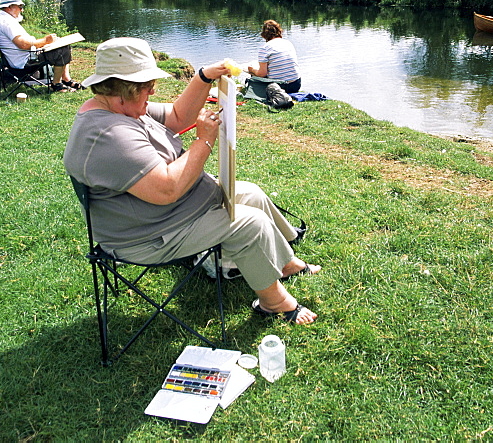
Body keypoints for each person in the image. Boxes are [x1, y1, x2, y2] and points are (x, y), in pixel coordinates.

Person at [63, 37, 320, 324]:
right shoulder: (109, 134)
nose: (153, 90)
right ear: (124, 89)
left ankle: (283, 262)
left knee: (250, 193)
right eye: (146, 85)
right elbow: (168, 189)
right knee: (250, 223)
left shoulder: (120, 107)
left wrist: (204, 77)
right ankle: (274, 303)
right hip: (149, 234)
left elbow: (176, 116)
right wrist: (203, 141)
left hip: (167, 215)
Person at [0, 0, 82, 92]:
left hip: (25, 56)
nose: (22, 9)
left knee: (64, 45)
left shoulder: (5, 19)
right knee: (62, 49)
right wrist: (45, 41)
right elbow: (23, 45)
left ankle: (66, 79)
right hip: (25, 60)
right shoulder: (6, 22)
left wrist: (45, 43)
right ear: (9, 7)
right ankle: (56, 84)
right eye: (20, 6)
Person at [245, 19, 301, 94]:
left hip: (279, 87)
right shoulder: (288, 43)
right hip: (295, 84)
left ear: (264, 35)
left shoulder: (265, 48)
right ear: (279, 31)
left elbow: (262, 74)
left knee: (255, 74)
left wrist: (251, 70)